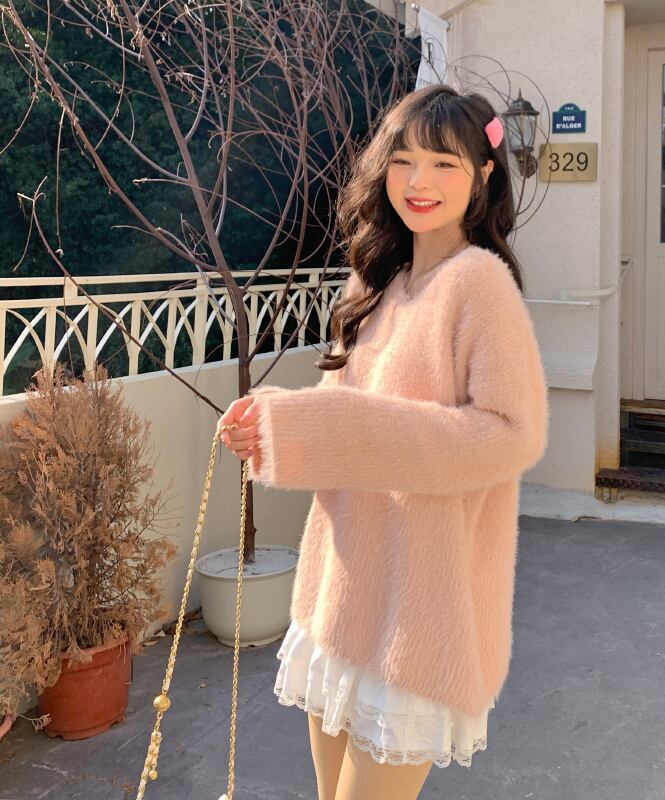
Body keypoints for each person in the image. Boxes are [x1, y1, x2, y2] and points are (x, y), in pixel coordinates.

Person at [217, 83, 550, 800]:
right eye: (404, 160)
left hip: (420, 614)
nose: (419, 182)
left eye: (444, 164)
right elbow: (343, 410)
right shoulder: (376, 280)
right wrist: (276, 422)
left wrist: (330, 427)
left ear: (483, 175)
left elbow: (511, 435)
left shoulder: (480, 284)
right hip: (342, 593)